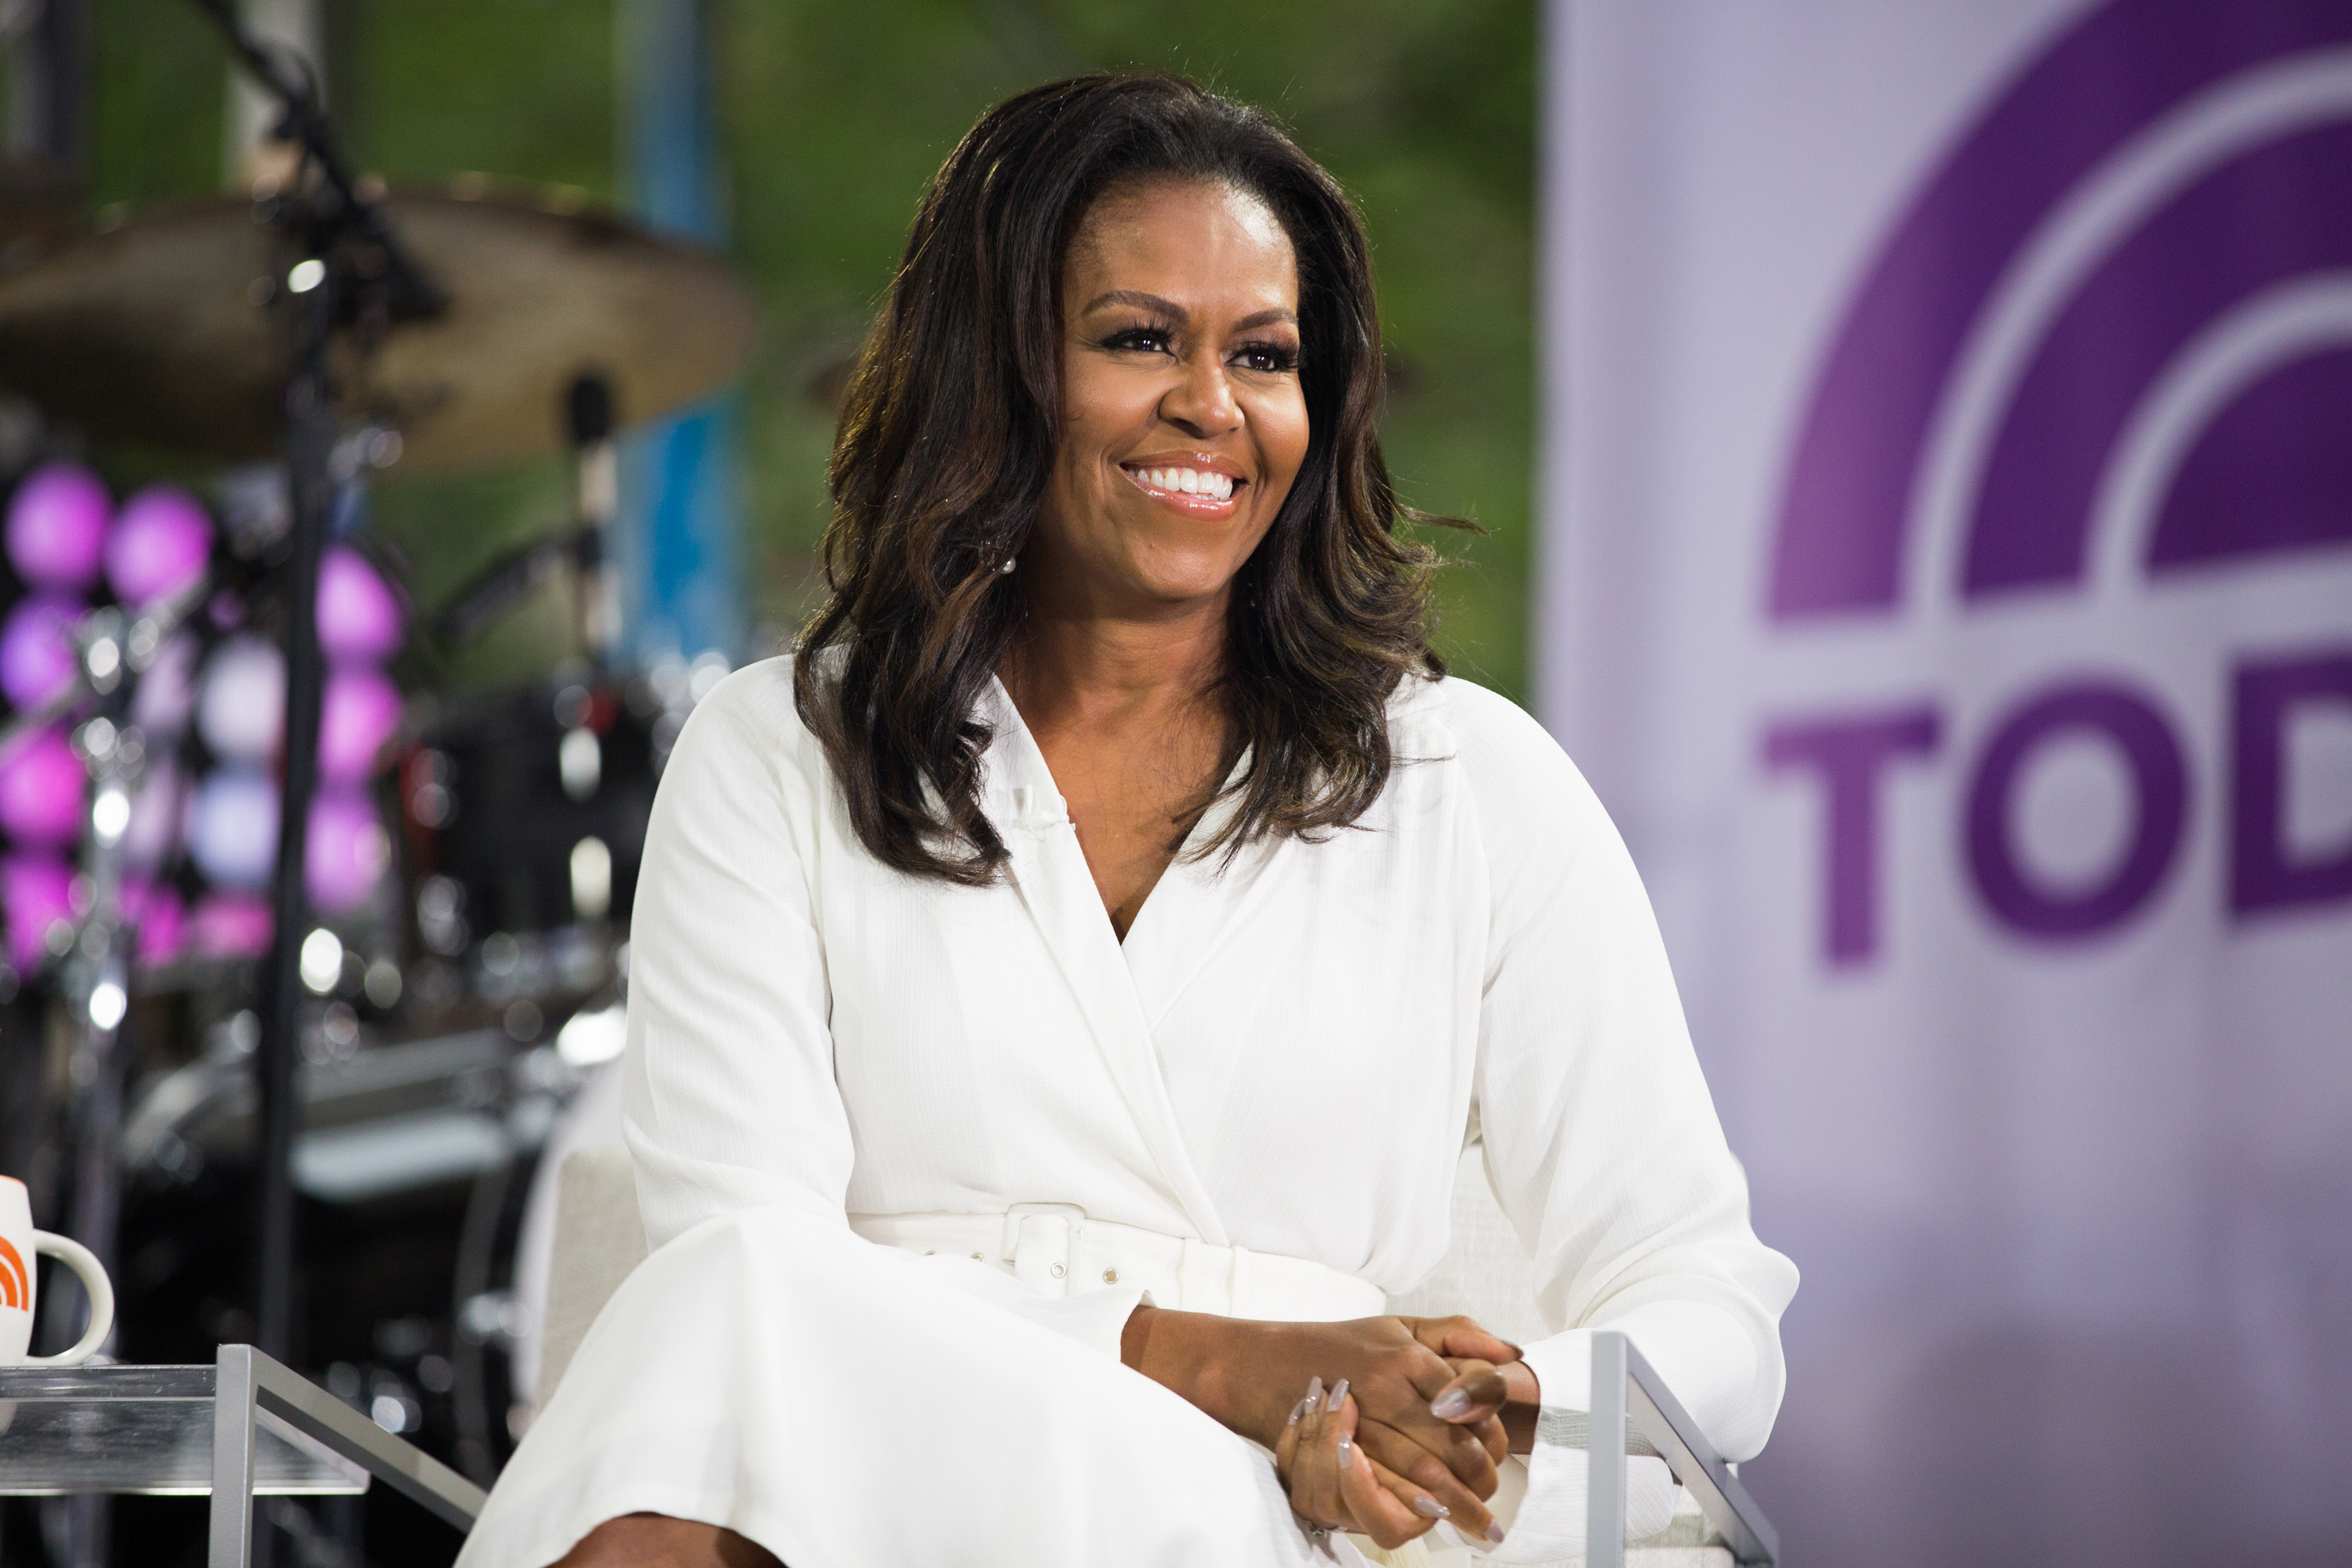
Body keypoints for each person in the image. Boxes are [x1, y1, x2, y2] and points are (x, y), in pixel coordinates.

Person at [457, 73, 1796, 1568]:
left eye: (1264, 355)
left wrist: (1472, 1404)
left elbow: (1713, 1311)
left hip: (1277, 1502)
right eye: (1139, 338)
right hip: (881, 1457)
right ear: (994, 372)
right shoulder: (777, 751)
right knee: (712, 1333)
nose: (1212, 407)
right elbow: (741, 1274)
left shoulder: (1469, 783)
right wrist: (1207, 1355)